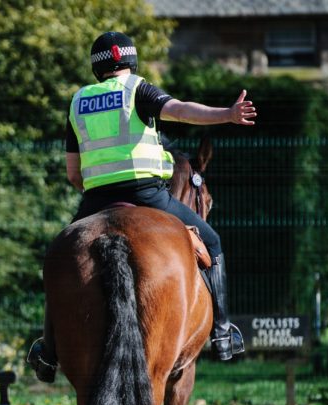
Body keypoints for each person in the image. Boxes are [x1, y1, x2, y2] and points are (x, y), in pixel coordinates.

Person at [28, 31, 255, 382]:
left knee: (60, 256)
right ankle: (223, 331)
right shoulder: (137, 89)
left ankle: (48, 350)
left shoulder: (79, 101)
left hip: (95, 198)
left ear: (96, 67)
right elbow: (179, 110)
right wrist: (226, 114)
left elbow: (74, 173)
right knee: (212, 242)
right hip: (147, 194)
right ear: (131, 61)